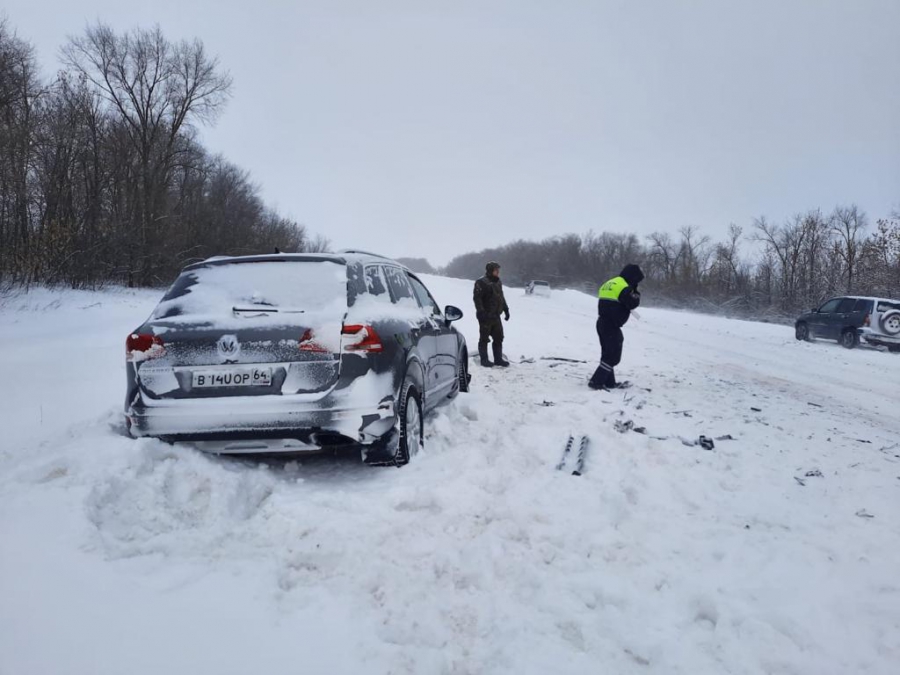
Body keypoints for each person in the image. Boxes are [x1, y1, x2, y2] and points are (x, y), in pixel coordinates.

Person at [589, 264, 644, 390]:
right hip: (611, 325)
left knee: (607, 353)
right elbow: (633, 303)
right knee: (613, 355)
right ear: (633, 277)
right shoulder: (624, 287)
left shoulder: (611, 282)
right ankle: (596, 381)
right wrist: (635, 291)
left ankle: (609, 382)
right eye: (637, 281)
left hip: (602, 322)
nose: (637, 283)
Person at [473, 261, 510, 367]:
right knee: (484, 338)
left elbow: (501, 297)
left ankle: (498, 359)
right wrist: (481, 312)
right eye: (496, 270)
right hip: (485, 316)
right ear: (490, 271)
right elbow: (477, 299)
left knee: (499, 337)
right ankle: (484, 360)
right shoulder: (481, 282)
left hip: (496, 316)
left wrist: (506, 310)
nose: (498, 272)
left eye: (498, 270)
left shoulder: (498, 282)